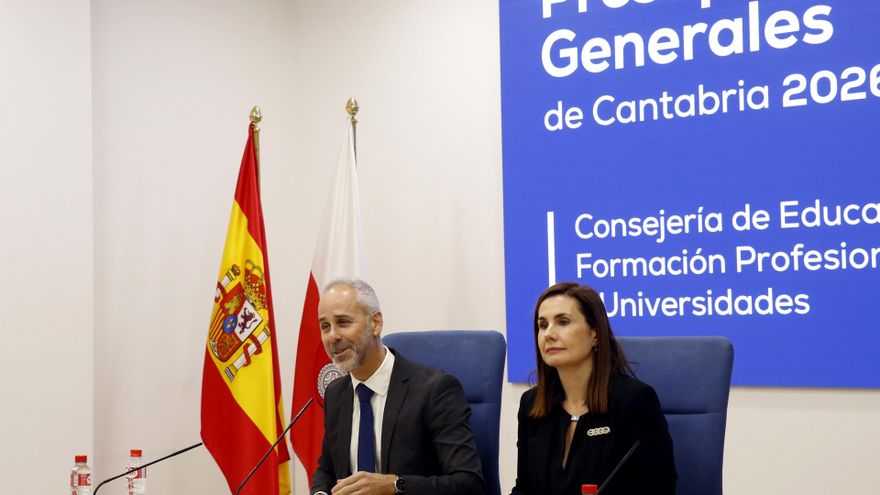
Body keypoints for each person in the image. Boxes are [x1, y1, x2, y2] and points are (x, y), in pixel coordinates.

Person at [310, 278, 485, 495]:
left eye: (343, 322)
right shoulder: (336, 393)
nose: (333, 336)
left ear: (375, 323)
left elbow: (469, 484)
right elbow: (326, 471)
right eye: (325, 326)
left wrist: (395, 486)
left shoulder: (434, 390)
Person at [511, 282, 677, 495]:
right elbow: (523, 489)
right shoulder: (531, 405)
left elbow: (658, 489)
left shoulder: (634, 401)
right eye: (543, 325)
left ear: (595, 334)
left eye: (563, 322)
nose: (548, 334)